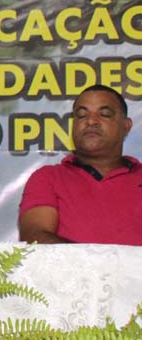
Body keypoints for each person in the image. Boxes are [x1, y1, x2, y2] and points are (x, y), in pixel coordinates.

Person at [19, 85, 142, 245]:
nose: (91, 121)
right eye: (82, 115)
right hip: (67, 271)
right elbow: (35, 237)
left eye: (104, 114)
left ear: (126, 126)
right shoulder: (48, 178)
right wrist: (96, 266)